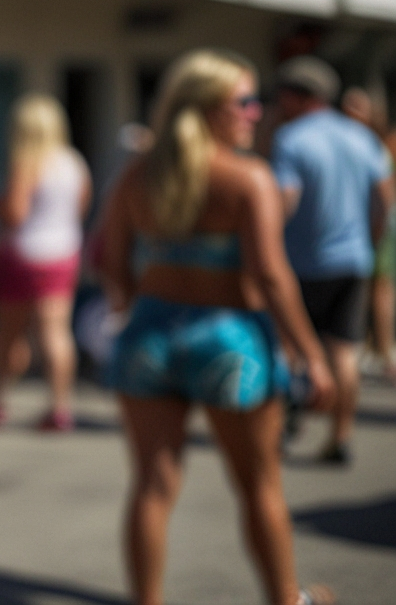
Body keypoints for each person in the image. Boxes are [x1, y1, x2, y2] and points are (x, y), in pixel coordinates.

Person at [101, 49, 336, 605]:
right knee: (259, 487)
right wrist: (311, 354)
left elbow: (111, 261)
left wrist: (142, 303)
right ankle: (286, 599)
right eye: (246, 102)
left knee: (152, 487)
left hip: (150, 334)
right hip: (232, 340)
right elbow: (271, 275)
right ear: (209, 108)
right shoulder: (247, 178)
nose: (256, 113)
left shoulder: (137, 174)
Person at [272, 56, 394, 464]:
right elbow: (383, 203)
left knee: (290, 347)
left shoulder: (291, 139)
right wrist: (370, 242)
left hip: (300, 263)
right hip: (353, 260)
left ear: (297, 96)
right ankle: (340, 437)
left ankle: (287, 426)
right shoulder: (362, 138)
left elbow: (283, 202)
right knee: (344, 352)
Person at [0, 94, 90, 430]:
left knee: (11, 335)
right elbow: (80, 208)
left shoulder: (26, 162)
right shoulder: (73, 163)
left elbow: (14, 213)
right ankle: (60, 406)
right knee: (56, 333)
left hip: (23, 255)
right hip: (63, 253)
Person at [340, 86, 396, 382]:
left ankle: (384, 350)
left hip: (377, 224)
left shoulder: (380, 144)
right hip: (356, 226)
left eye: (358, 107)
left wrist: (378, 228)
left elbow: (385, 196)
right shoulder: (361, 142)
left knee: (380, 287)